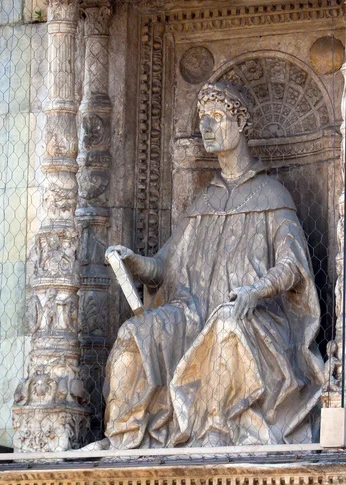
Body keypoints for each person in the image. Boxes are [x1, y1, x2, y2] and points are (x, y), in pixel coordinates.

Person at [102, 80, 324, 449]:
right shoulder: (204, 200)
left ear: (242, 124)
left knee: (225, 324)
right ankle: (125, 439)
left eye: (217, 118)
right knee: (132, 335)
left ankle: (215, 433)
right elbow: (166, 268)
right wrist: (135, 262)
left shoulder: (271, 194)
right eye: (202, 118)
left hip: (256, 317)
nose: (206, 127)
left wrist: (255, 291)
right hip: (191, 316)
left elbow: (293, 264)